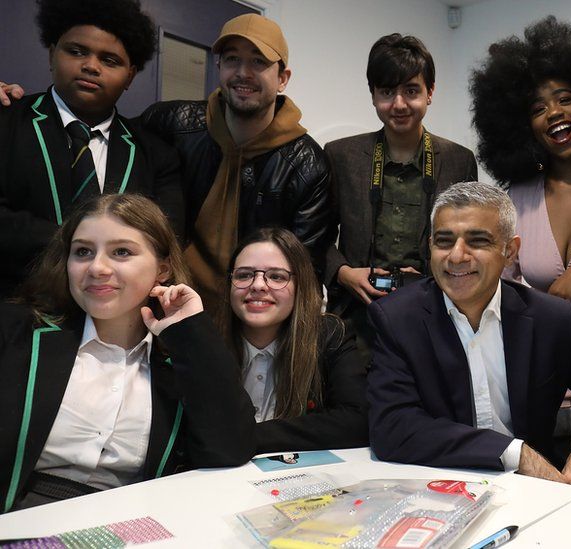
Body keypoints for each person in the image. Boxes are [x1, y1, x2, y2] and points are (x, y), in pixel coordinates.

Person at [367, 181, 571, 498]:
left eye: (477, 241)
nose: (457, 256)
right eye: (444, 241)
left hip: (532, 496)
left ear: (510, 251)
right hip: (437, 494)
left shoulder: (551, 319)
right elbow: (393, 426)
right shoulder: (396, 319)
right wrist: (514, 452)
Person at [0, 194, 253, 513]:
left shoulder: (181, 358)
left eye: (121, 252)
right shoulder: (16, 333)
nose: (97, 267)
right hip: (20, 520)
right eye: (82, 252)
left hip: (129, 523)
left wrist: (191, 333)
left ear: (163, 268)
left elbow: (230, 449)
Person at [139, 14, 331, 308]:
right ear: (219, 67)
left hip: (251, 316)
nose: (243, 72)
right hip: (166, 304)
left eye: (258, 62)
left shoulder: (307, 165)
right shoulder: (170, 124)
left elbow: (305, 271)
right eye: (231, 59)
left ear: (283, 78)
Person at [470, 16, 571, 352]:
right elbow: (499, 291)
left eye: (565, 99)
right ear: (525, 126)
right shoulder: (516, 200)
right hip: (551, 364)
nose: (553, 112)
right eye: (538, 108)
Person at [0, 0, 183, 297]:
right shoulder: (7, 120)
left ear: (130, 76)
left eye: (110, 60)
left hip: (114, 322)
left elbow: (163, 239)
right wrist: (85, 244)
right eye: (76, 51)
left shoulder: (156, 154)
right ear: (51, 54)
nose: (90, 66)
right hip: (13, 312)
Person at [323, 33, 478, 359]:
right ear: (373, 95)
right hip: (356, 322)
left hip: (435, 319)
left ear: (430, 92)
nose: (399, 104)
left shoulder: (458, 161)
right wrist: (344, 273)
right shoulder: (341, 156)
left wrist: (433, 274)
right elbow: (315, 237)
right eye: (387, 92)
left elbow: (470, 241)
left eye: (411, 91)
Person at [219, 227, 368, 453]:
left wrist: (249, 437)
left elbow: (358, 421)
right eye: (244, 275)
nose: (258, 285)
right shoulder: (208, 342)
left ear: (301, 286)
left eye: (277, 276)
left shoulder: (329, 335)